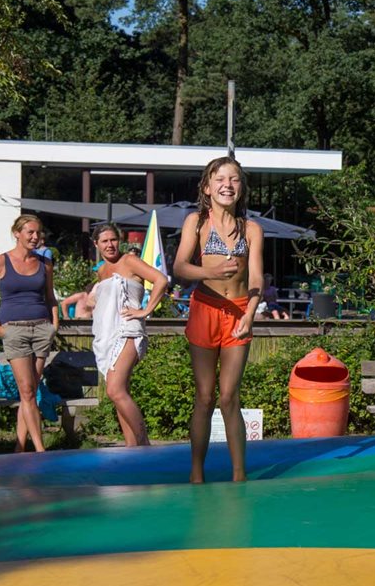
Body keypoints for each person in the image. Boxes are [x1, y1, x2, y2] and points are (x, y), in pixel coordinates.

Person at [173, 157, 265, 483]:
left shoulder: (251, 229)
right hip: (205, 309)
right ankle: (196, 472)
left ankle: (239, 475)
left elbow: (256, 279)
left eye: (235, 179)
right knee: (205, 396)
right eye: (221, 179)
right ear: (207, 187)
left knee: (229, 397)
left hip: (239, 312)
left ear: (241, 188)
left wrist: (250, 314)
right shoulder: (196, 223)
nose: (228, 184)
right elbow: (180, 268)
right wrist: (209, 272)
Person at [0, 214, 58, 452]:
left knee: (30, 391)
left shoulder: (44, 263)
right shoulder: (1, 262)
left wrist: (54, 325)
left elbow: (51, 297)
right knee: (27, 390)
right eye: (30, 232)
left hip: (42, 329)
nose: (35, 237)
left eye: (38, 232)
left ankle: (20, 448)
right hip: (14, 330)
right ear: (17, 233)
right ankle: (41, 450)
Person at [89, 223, 168, 447]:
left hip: (128, 331)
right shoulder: (101, 270)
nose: (110, 245)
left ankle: (144, 444)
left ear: (119, 240)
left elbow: (161, 280)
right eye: (104, 241)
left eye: (113, 240)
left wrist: (146, 310)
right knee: (119, 393)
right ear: (96, 244)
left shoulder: (129, 261)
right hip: (107, 334)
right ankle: (132, 449)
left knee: (115, 390)